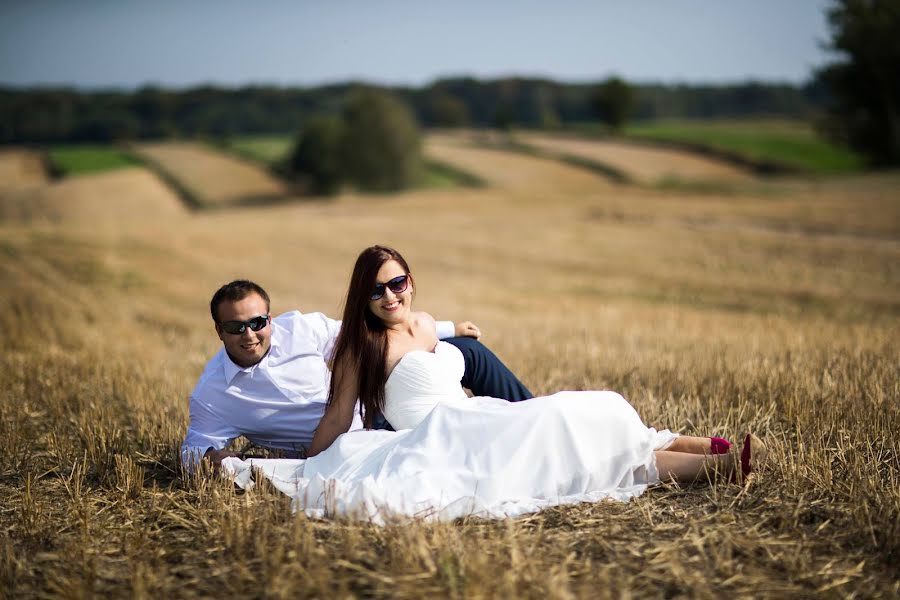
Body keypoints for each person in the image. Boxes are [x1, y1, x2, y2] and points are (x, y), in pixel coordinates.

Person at [288, 245, 767, 520]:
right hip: (443, 441)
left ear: (410, 282)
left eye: (397, 283)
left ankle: (709, 448)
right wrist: (307, 464)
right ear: (363, 297)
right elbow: (336, 416)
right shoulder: (360, 348)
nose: (390, 296)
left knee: (596, 407)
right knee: (559, 428)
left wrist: (461, 330)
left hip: (477, 418)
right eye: (376, 290)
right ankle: (718, 467)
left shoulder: (429, 323)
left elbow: (440, 339)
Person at [180, 279, 533, 471]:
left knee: (466, 351)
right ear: (219, 330)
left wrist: (445, 328)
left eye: (257, 322)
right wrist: (214, 460)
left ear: (270, 319)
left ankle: (532, 417)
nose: (249, 334)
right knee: (456, 437)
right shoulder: (214, 394)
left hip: (377, 407)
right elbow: (194, 449)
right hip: (345, 446)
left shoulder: (302, 328)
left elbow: (369, 337)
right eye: (235, 327)